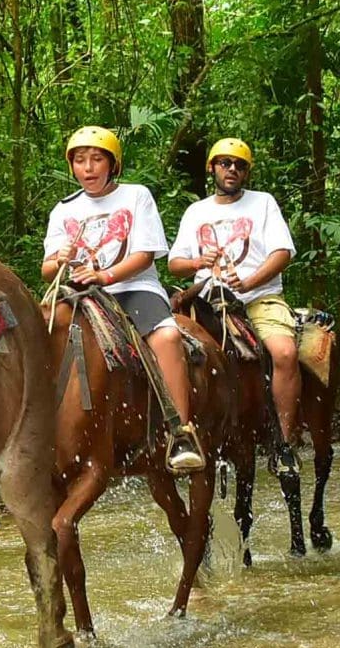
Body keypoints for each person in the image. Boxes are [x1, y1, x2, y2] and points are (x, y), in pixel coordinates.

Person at [41, 126, 208, 473]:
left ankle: (180, 432)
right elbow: (47, 269)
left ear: (113, 164)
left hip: (132, 288)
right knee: (39, 333)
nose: (88, 168)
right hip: (79, 294)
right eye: (80, 160)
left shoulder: (136, 196)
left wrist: (105, 275)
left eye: (96, 159)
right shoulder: (63, 209)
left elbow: (145, 254)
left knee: (167, 336)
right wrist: (60, 260)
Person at [167, 137, 301, 467]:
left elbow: (282, 252)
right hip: (207, 299)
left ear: (246, 173)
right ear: (212, 167)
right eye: (225, 163)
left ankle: (284, 442)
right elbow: (175, 263)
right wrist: (199, 263)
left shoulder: (263, 202)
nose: (232, 170)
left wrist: (249, 281)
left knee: (285, 352)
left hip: (258, 297)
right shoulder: (196, 211)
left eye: (240, 165)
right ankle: (182, 434)